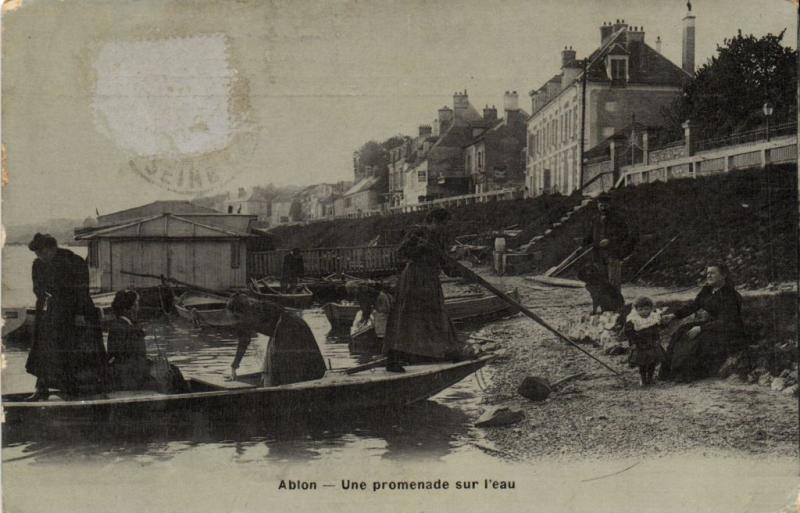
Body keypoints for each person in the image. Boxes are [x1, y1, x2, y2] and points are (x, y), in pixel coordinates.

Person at [382, 208, 467, 373]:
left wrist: (459, 263)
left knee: (438, 316)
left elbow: (446, 266)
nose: (446, 228)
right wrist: (421, 248)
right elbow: (401, 253)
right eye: (443, 224)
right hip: (413, 280)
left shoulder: (440, 238)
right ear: (434, 221)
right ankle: (393, 360)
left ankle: (447, 352)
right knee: (406, 318)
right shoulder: (418, 232)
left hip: (430, 282)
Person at [25, 233, 107, 400]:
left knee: (73, 351)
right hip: (50, 313)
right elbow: (37, 288)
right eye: (37, 254)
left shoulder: (73, 261)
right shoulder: (38, 265)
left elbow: (82, 290)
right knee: (42, 350)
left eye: (42, 253)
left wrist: (79, 314)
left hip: (75, 311)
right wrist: (45, 295)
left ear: (52, 248)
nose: (40, 257)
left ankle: (76, 387)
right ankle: (41, 388)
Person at [660, 263, 747, 382]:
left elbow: (726, 321)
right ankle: (669, 371)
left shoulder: (731, 295)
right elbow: (694, 305)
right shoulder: (707, 290)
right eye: (707, 273)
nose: (709, 276)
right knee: (682, 330)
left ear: (723, 275)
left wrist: (701, 328)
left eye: (712, 273)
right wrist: (674, 315)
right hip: (713, 324)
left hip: (728, 329)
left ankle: (684, 374)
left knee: (696, 339)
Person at [227, 294, 326, 386]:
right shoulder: (244, 319)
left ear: (243, 310)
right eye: (235, 317)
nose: (237, 320)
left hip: (293, 327)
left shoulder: (259, 308)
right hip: (280, 332)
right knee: (277, 367)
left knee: (291, 366)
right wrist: (234, 366)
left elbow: (282, 319)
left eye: (237, 316)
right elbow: (243, 341)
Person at [106, 289, 188, 393]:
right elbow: (128, 358)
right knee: (172, 373)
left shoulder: (121, 325)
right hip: (131, 376)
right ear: (128, 308)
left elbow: (130, 354)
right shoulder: (122, 328)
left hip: (131, 371)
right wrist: (151, 365)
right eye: (136, 304)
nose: (138, 308)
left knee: (172, 370)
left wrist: (151, 361)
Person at [582, 193, 634, 293]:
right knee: (601, 279)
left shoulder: (617, 218)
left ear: (609, 205)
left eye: (605, 205)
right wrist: (583, 244)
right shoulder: (595, 218)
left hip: (613, 253)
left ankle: (616, 303)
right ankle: (605, 304)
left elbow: (624, 234)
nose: (602, 207)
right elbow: (590, 234)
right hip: (598, 254)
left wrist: (610, 240)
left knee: (613, 280)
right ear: (597, 205)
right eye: (600, 204)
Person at [623, 296, 666, 386]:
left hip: (652, 343)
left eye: (646, 309)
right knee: (642, 362)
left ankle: (650, 378)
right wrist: (633, 343)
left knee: (652, 361)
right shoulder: (634, 320)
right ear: (636, 309)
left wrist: (657, 339)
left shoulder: (653, 318)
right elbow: (629, 333)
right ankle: (643, 378)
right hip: (640, 344)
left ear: (651, 309)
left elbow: (656, 330)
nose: (643, 312)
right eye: (641, 309)